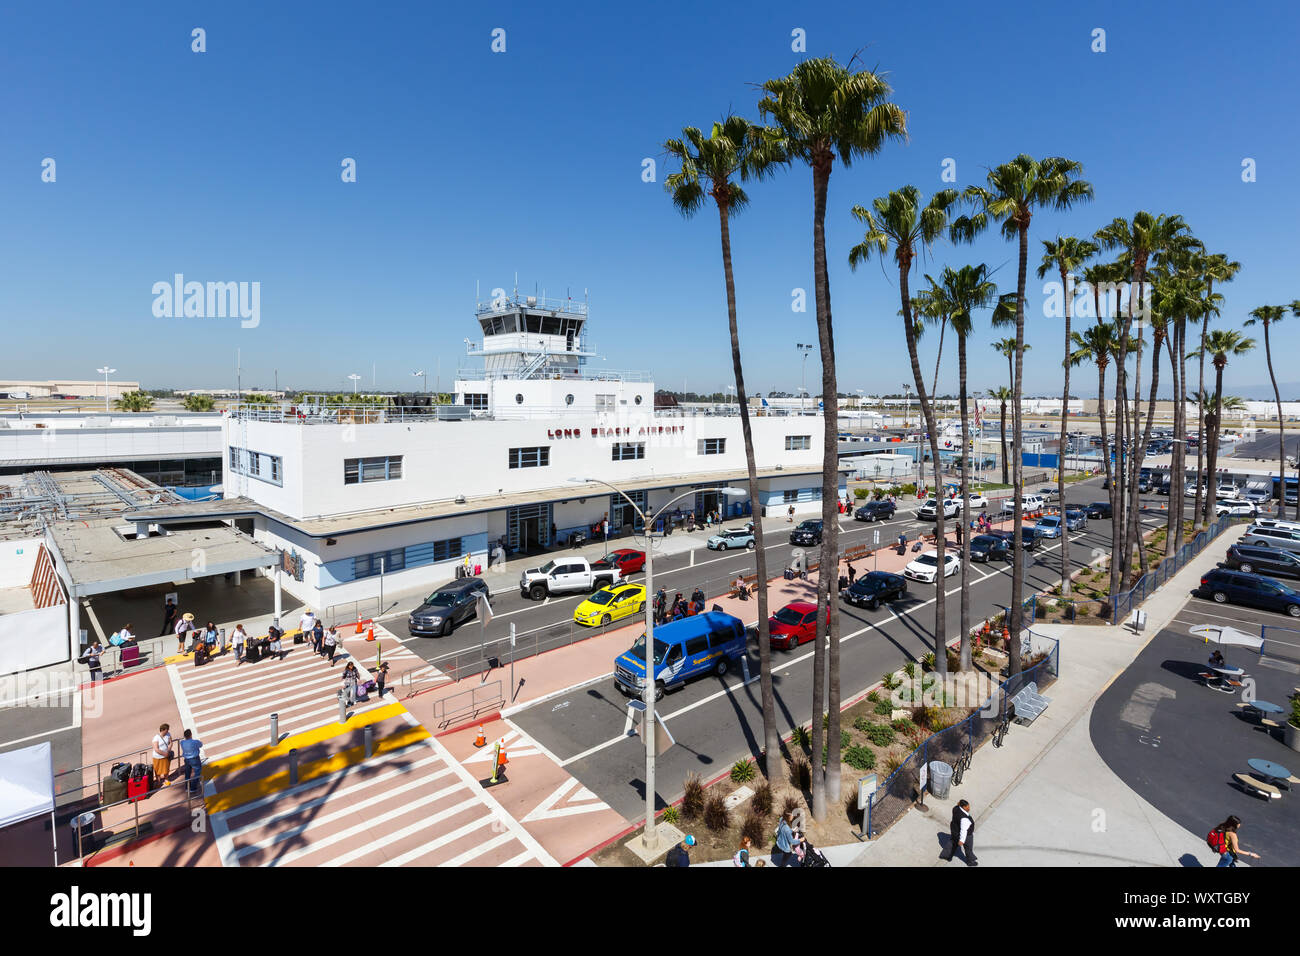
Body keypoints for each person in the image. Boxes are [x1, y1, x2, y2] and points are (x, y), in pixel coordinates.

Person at [940, 799, 978, 865]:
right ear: (963, 807)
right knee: (968, 848)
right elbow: (964, 830)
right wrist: (962, 840)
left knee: (952, 843)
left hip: (955, 830)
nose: (969, 808)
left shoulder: (955, 808)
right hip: (967, 836)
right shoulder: (964, 818)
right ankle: (970, 861)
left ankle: (946, 855)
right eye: (967, 807)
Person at [179, 729, 203, 796]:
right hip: (194, 758)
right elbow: (200, 745)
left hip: (186, 759)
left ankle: (187, 787)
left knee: (187, 773)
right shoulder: (194, 742)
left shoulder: (182, 742)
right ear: (191, 734)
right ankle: (193, 787)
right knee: (197, 772)